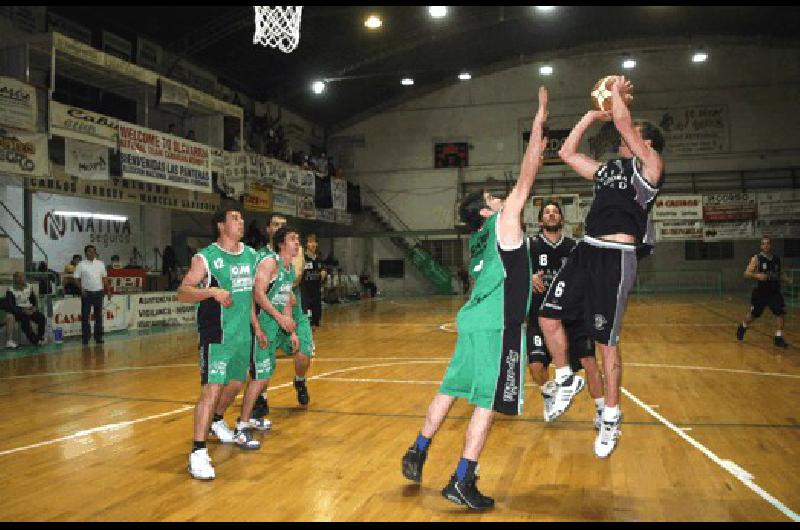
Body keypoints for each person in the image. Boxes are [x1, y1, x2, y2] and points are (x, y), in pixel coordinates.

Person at [401, 85, 548, 510]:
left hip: (472, 320)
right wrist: (538, 124)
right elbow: (527, 177)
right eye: (490, 198)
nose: (498, 197)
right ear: (485, 212)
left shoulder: (483, 240)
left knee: (450, 388)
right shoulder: (503, 223)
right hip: (498, 326)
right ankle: (462, 480)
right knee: (487, 401)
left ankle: (418, 449)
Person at [539, 75, 665, 459]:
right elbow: (566, 154)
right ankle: (564, 378)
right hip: (586, 250)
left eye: (633, 136)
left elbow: (625, 124)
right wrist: (591, 117)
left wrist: (615, 98)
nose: (623, 137)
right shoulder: (610, 170)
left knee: (605, 344)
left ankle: (611, 416)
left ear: (648, 144)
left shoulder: (651, 167)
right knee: (548, 316)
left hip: (616, 258)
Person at [178, 207, 267, 481]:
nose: (241, 222)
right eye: (235, 218)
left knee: (236, 384)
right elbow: (182, 292)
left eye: (241, 218)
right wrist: (211, 291)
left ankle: (216, 420)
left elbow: (250, 295)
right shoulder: (206, 258)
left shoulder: (251, 256)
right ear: (220, 225)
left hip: (242, 335)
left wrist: (256, 325)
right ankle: (198, 452)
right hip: (217, 334)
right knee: (211, 389)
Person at [527, 201, 604, 428]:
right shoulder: (529, 246)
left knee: (590, 363)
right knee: (536, 367)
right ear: (540, 221)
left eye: (555, 212)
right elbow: (510, 275)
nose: (551, 215)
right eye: (547, 213)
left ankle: (601, 411)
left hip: (573, 318)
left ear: (562, 219)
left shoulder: (574, 247)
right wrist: (528, 277)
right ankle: (549, 393)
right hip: (539, 316)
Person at [737, 236, 792, 347]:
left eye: (768, 243)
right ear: (761, 246)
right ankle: (743, 325)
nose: (766, 245)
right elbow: (746, 273)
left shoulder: (777, 258)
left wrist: (787, 280)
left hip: (774, 291)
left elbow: (780, 273)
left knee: (780, 312)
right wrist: (756, 275)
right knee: (754, 315)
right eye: (763, 243)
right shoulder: (756, 258)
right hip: (760, 292)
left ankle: (778, 337)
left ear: (771, 245)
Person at [73, 245, 112, 345]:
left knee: (98, 317)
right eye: (90, 251)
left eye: (94, 251)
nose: (92, 253)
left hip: (99, 293)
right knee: (85, 317)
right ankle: (86, 338)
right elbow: (76, 279)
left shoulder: (101, 264)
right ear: (86, 253)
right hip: (87, 294)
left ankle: (98, 337)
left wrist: (108, 290)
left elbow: (104, 278)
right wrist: (81, 289)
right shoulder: (81, 264)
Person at [5, 272, 46, 346]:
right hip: (19, 311)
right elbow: (11, 306)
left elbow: (33, 300)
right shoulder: (10, 290)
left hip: (29, 308)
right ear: (15, 279)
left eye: (23, 277)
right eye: (19, 277)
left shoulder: (29, 287)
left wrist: (34, 308)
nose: (22, 279)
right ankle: (34, 339)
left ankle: (40, 337)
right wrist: (23, 311)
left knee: (41, 317)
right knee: (25, 320)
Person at [300, 233, 327, 327]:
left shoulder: (319, 259)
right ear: (306, 244)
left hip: (316, 295)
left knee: (315, 323)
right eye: (310, 242)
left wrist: (324, 272)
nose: (313, 244)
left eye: (315, 242)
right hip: (305, 295)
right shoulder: (302, 258)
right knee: (306, 323)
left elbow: (323, 271)